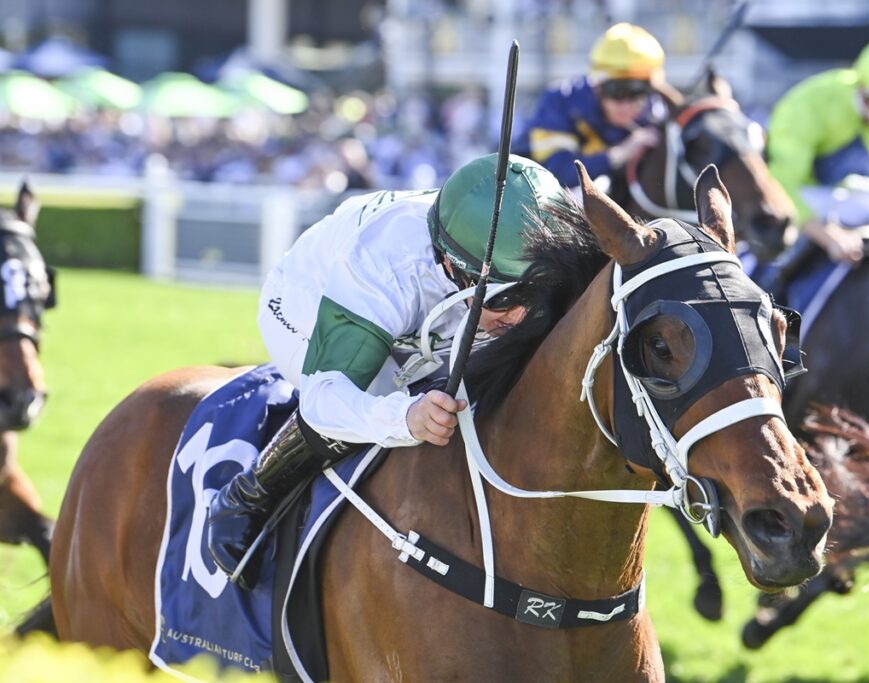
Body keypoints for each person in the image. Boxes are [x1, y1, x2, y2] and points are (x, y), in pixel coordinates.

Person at [206, 153, 569, 589]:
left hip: (430, 315)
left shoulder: (520, 246)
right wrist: (405, 418)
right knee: (379, 405)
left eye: (539, 291)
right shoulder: (386, 264)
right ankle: (247, 495)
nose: (524, 314)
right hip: (311, 301)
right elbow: (325, 398)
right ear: (456, 267)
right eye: (507, 299)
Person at [763, 32, 869, 293]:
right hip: (798, 203)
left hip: (850, 204)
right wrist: (829, 235)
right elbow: (779, 187)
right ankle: (770, 286)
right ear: (863, 89)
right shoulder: (809, 105)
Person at [513, 22, 667, 195]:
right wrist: (620, 153)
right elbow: (556, 173)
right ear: (597, 85)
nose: (627, 105)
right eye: (616, 91)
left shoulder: (655, 116)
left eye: (638, 93)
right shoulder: (560, 102)